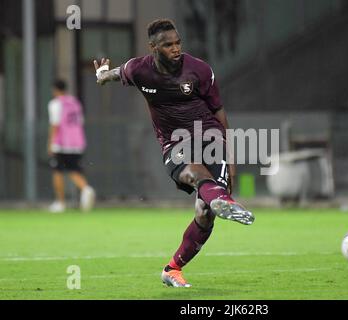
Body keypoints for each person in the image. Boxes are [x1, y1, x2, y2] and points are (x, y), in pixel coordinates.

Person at [94, 19, 254, 287]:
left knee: (204, 215)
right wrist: (102, 75)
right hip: (174, 143)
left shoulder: (200, 70)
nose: (176, 48)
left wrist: (232, 160)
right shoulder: (139, 69)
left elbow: (220, 114)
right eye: (168, 45)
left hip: (211, 139)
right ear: (153, 47)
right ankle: (218, 198)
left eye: (178, 42)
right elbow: (112, 74)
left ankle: (173, 269)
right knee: (194, 174)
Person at [47, 79, 96, 213]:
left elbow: (55, 125)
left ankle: (60, 203)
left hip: (62, 144)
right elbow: (79, 122)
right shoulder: (75, 103)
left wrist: (50, 143)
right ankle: (86, 188)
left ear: (55, 90)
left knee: (57, 171)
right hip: (77, 143)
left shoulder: (55, 104)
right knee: (74, 170)